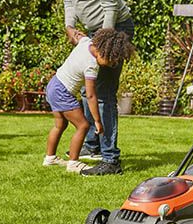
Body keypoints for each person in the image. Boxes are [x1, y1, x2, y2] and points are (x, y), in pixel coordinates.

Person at [47, 0, 135, 175]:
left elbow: (110, 8)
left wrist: (102, 43)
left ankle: (111, 159)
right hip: (93, 31)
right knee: (89, 89)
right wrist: (69, 25)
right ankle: (92, 146)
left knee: (103, 94)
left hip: (115, 29)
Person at [43, 28, 135, 174]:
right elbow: (91, 95)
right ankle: (73, 163)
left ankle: (50, 158)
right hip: (63, 92)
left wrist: (73, 31)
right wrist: (97, 121)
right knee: (84, 125)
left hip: (54, 84)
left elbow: (79, 37)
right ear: (104, 52)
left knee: (60, 125)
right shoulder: (91, 66)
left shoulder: (86, 42)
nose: (110, 65)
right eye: (111, 60)